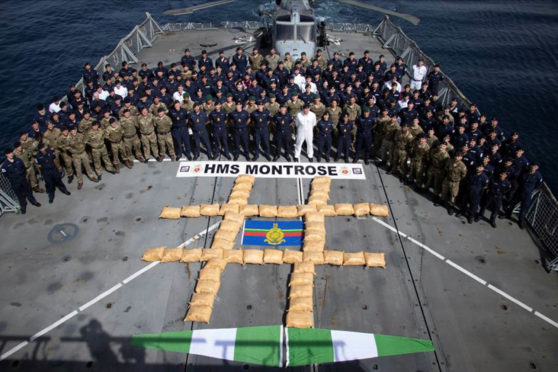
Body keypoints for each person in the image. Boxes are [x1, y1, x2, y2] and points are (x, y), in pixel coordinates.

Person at [1, 147, 41, 213]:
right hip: (15, 182)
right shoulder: (5, 165)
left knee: (28, 192)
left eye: (11, 153)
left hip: (23, 180)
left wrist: (21, 174)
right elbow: (5, 174)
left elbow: (23, 168)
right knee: (20, 195)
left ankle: (33, 202)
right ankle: (23, 206)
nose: (11, 154)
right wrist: (13, 177)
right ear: (6, 155)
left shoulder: (18, 160)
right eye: (9, 153)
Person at [506, 163, 543, 229]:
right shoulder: (525, 172)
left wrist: (531, 190)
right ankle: (507, 214)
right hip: (520, 191)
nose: (533, 168)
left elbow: (539, 184)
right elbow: (519, 178)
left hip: (527, 194)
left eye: (535, 167)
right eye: (532, 166)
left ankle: (520, 221)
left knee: (523, 208)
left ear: (537, 168)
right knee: (512, 203)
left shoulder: (538, 176)